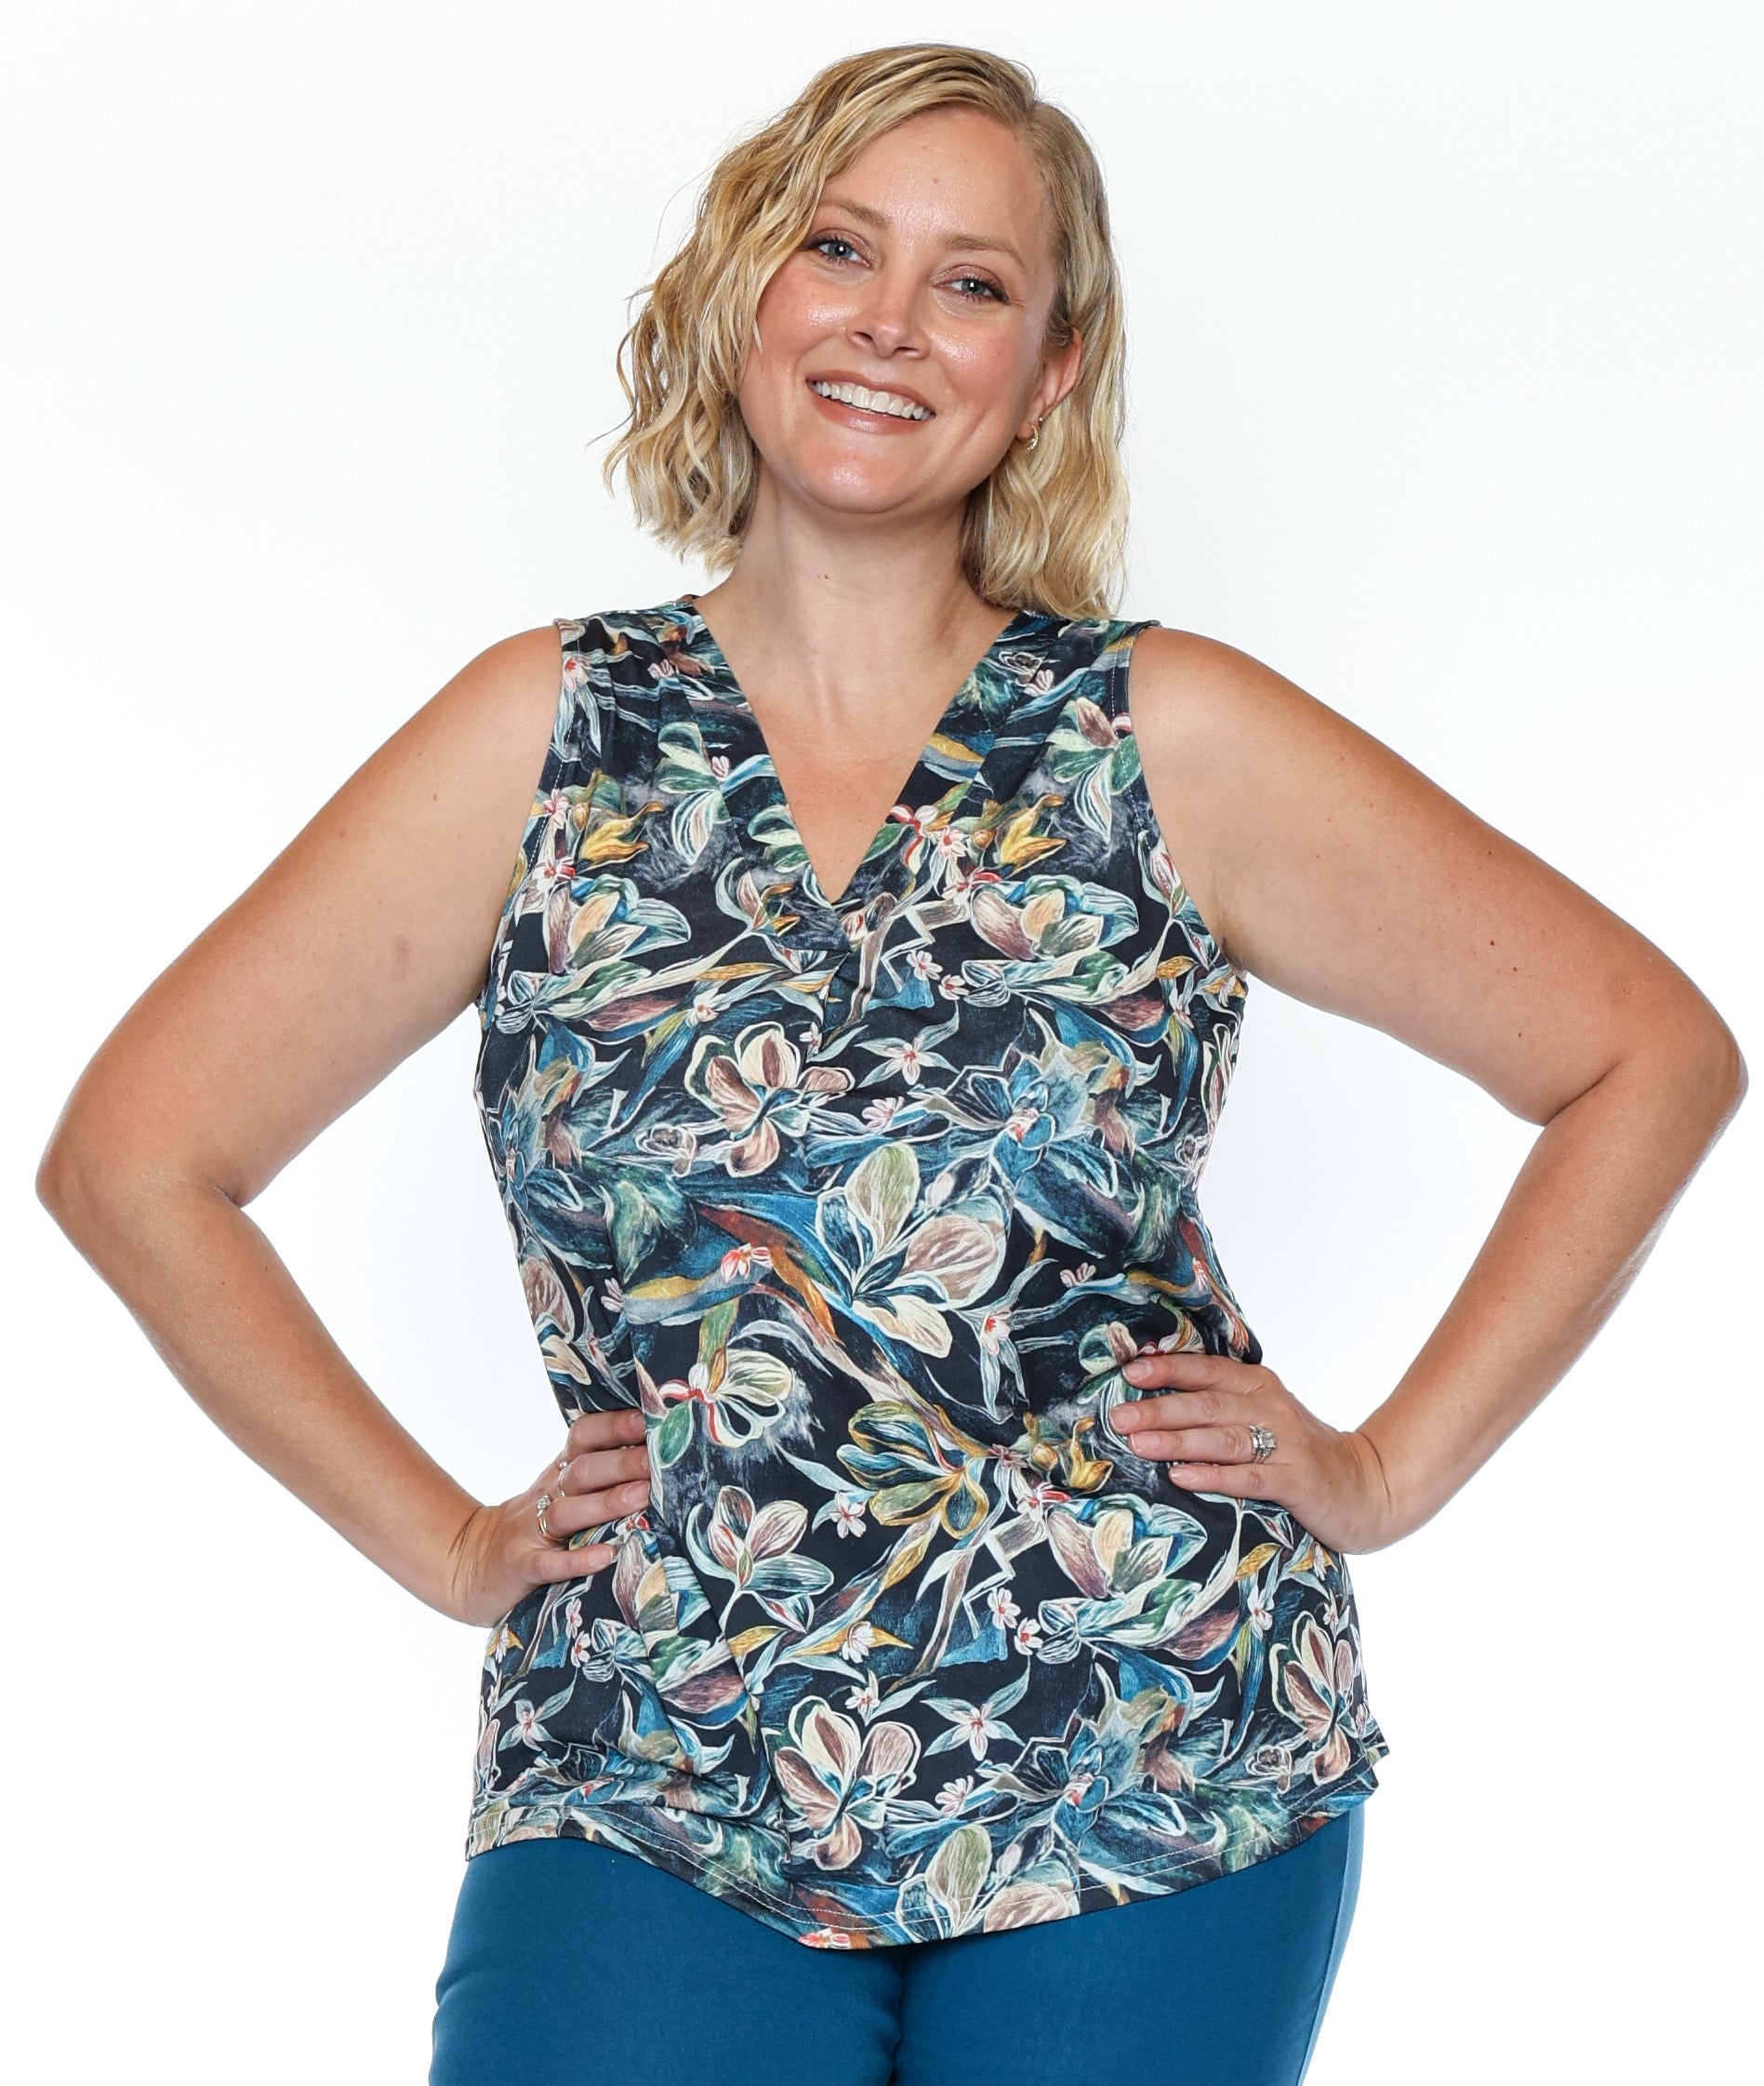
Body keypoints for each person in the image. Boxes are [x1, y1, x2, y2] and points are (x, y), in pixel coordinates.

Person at [34, 39, 1744, 2086]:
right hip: (652, 1747)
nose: (889, 323)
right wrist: (447, 1544)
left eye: (974, 282)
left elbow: (1643, 1051)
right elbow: (137, 1158)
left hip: (1146, 1741)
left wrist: (1386, 1471)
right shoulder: (547, 737)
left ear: (1048, 373)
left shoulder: (1164, 736)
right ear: (741, 286)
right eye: (839, 248)